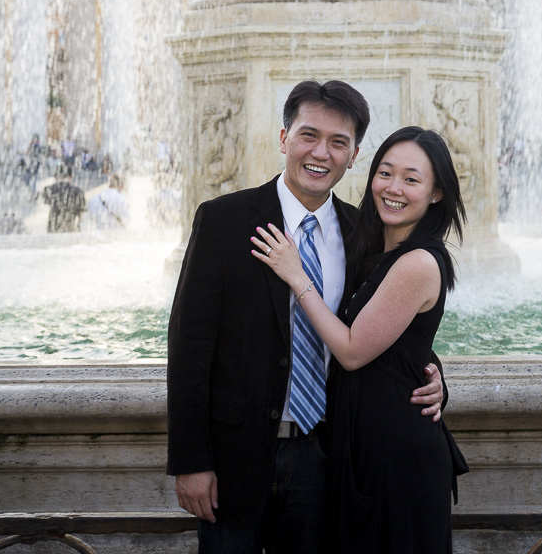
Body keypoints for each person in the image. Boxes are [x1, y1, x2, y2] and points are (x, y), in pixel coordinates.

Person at [167, 80, 445, 554]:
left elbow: (384, 325)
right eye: (308, 135)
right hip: (236, 458)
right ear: (283, 139)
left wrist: (436, 375)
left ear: (355, 154)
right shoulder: (224, 220)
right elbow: (189, 347)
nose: (322, 153)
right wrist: (190, 461)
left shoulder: (365, 233)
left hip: (326, 454)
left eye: (339, 142)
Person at [253, 126, 468, 554]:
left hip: (394, 454)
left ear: (437, 193)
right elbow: (402, 338)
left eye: (411, 179)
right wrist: (433, 368)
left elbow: (351, 351)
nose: (393, 188)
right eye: (385, 173)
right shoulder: (372, 248)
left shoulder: (418, 262)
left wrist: (298, 276)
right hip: (360, 442)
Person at [43, 165, 86, 232]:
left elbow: (43, 212)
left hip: (52, 230)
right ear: (71, 176)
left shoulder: (48, 190)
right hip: (70, 230)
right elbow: (81, 216)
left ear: (56, 177)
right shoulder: (78, 192)